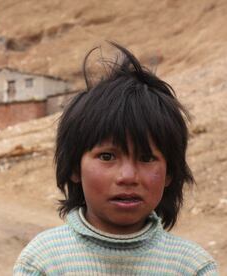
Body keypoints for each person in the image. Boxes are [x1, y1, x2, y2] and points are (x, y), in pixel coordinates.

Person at [13, 43, 218, 275]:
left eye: (147, 157)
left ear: (170, 172)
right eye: (107, 156)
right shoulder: (43, 261)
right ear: (74, 168)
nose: (128, 176)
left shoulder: (192, 267)